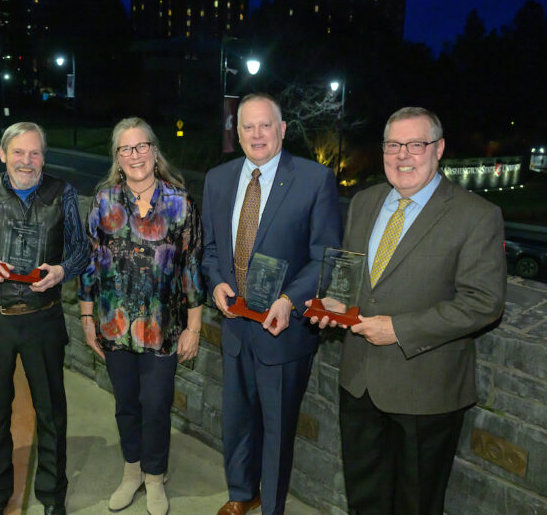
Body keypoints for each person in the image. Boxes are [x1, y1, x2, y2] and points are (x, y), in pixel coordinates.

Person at [307, 107, 507, 515]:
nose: (403, 156)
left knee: (416, 505)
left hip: (426, 390)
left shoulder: (476, 215)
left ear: (439, 149)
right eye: (393, 145)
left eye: (416, 144)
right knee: (364, 500)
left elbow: (483, 302)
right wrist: (336, 303)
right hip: (360, 382)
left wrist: (400, 329)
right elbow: (354, 280)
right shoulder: (364, 202)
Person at [201, 93, 342, 515]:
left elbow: (324, 257)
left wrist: (289, 300)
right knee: (237, 421)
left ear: (282, 129)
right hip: (235, 326)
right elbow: (210, 250)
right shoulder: (218, 180)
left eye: (266, 125)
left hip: (284, 330)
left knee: (278, 429)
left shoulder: (314, 180)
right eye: (248, 126)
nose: (257, 134)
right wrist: (215, 284)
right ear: (236, 133)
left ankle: (273, 508)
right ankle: (243, 495)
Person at [0, 122, 89, 515]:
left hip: (43, 319)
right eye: (18, 152)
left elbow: (81, 251)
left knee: (51, 411)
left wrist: (62, 271)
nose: (26, 161)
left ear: (43, 158)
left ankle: (51, 496)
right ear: (3, 155)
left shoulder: (62, 193)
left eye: (34, 154)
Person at [78, 117, 206, 515]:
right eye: (126, 149)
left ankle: (155, 477)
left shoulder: (180, 203)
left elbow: (191, 268)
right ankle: (131, 471)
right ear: (117, 158)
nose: (135, 155)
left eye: (142, 146)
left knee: (156, 402)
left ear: (154, 151)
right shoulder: (103, 202)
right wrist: (86, 319)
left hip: (162, 327)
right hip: (113, 325)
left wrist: (194, 327)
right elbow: (89, 265)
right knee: (126, 404)